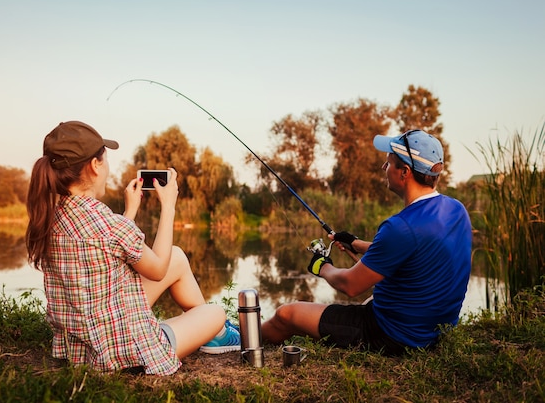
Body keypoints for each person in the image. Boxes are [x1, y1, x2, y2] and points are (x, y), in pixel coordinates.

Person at [25, 120, 240, 376]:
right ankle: (215, 333)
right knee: (215, 312)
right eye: (104, 160)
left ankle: (211, 334)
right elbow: (158, 269)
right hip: (125, 355)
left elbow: (111, 252)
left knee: (178, 257)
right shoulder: (108, 223)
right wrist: (169, 205)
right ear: (95, 165)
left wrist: (130, 211)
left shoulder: (51, 217)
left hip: (82, 346)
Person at [261, 129, 472, 355]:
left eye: (389, 162)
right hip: (436, 330)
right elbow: (416, 253)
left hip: (393, 336)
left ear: (405, 172)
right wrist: (357, 243)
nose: (384, 168)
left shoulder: (399, 227)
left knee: (287, 314)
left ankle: (244, 339)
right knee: (370, 299)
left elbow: (350, 285)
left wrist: (322, 267)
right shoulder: (456, 210)